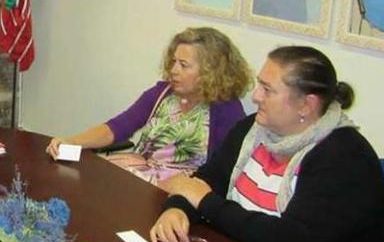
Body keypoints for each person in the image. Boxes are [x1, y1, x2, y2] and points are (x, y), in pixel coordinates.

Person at [151, 46, 384, 242]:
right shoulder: (251, 131)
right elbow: (206, 180)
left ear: (306, 106)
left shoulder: (344, 157)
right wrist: (177, 209)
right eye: (259, 85)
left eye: (268, 90)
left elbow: (286, 241)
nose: (255, 96)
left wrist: (206, 201)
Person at [46, 27, 251, 186]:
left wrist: (164, 179)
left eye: (184, 65)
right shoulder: (163, 93)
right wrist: (72, 142)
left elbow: (220, 174)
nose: (173, 70)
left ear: (210, 71)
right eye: (173, 62)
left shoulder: (226, 110)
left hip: (176, 194)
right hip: (135, 177)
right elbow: (117, 127)